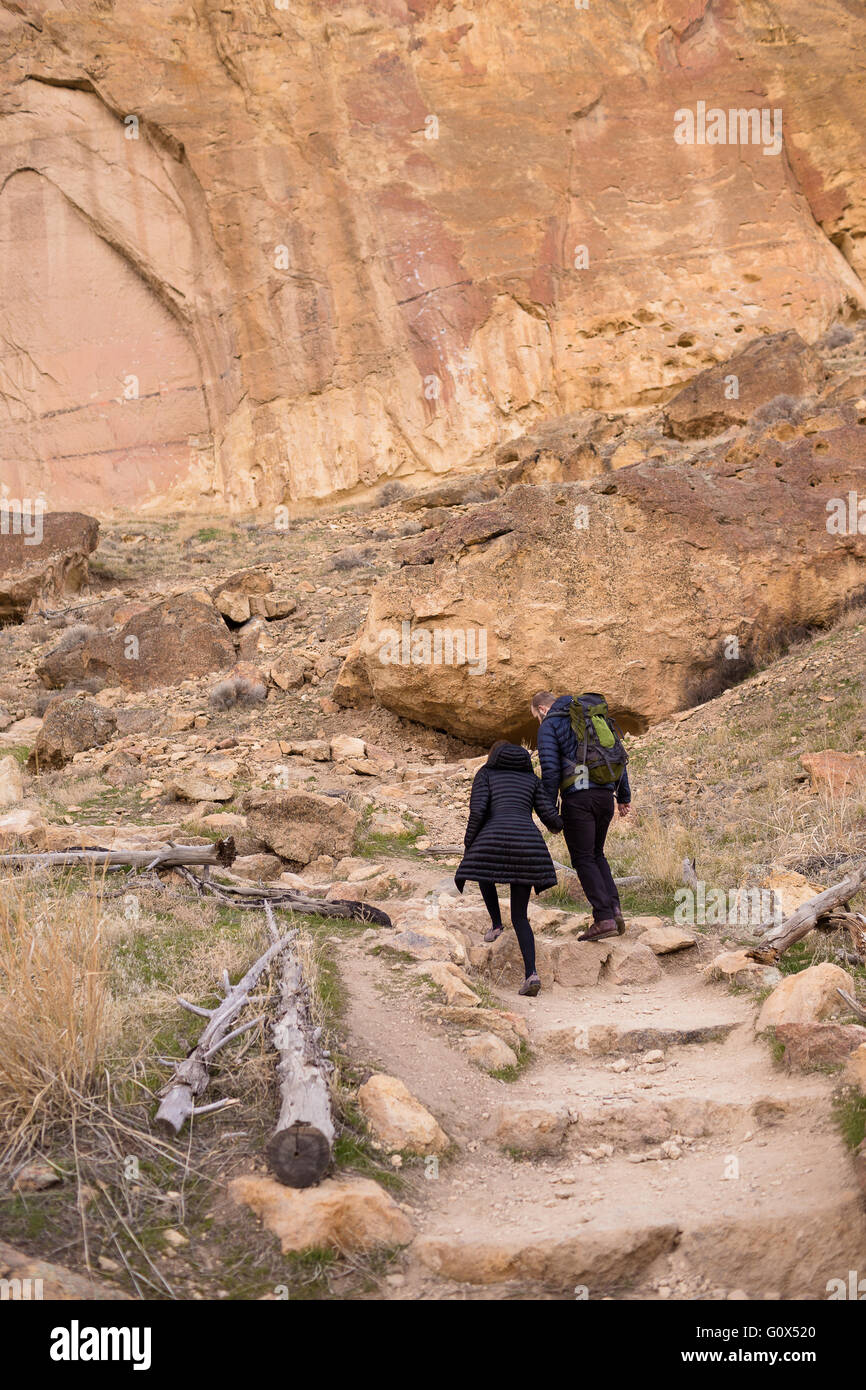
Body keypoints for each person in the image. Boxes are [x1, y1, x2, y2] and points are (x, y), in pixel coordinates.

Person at [454, 740, 563, 997]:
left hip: (492, 837)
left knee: (482, 870)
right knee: (520, 916)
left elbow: (478, 811)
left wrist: (470, 844)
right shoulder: (531, 779)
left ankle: (495, 924)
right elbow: (552, 820)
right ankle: (531, 975)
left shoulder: (485, 774)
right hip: (528, 843)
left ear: (493, 756)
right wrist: (562, 811)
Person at [531, 691, 631, 942]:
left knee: (584, 858)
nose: (538, 721)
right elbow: (617, 755)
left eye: (536, 716)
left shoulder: (550, 726)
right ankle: (614, 909)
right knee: (597, 854)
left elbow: (551, 770)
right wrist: (624, 796)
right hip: (606, 796)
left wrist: (549, 812)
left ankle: (603, 918)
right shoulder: (592, 718)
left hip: (579, 798)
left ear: (542, 709)